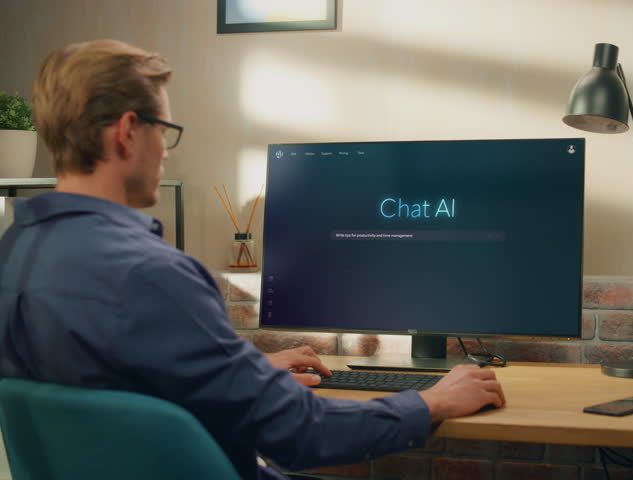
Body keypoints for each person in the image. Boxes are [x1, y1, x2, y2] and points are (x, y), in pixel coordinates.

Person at [0, 39, 505, 480]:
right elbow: (300, 435)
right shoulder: (152, 275)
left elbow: (107, 398)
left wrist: (244, 372)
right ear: (129, 131)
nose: (166, 152)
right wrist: (431, 401)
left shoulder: (13, 253)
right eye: (164, 130)